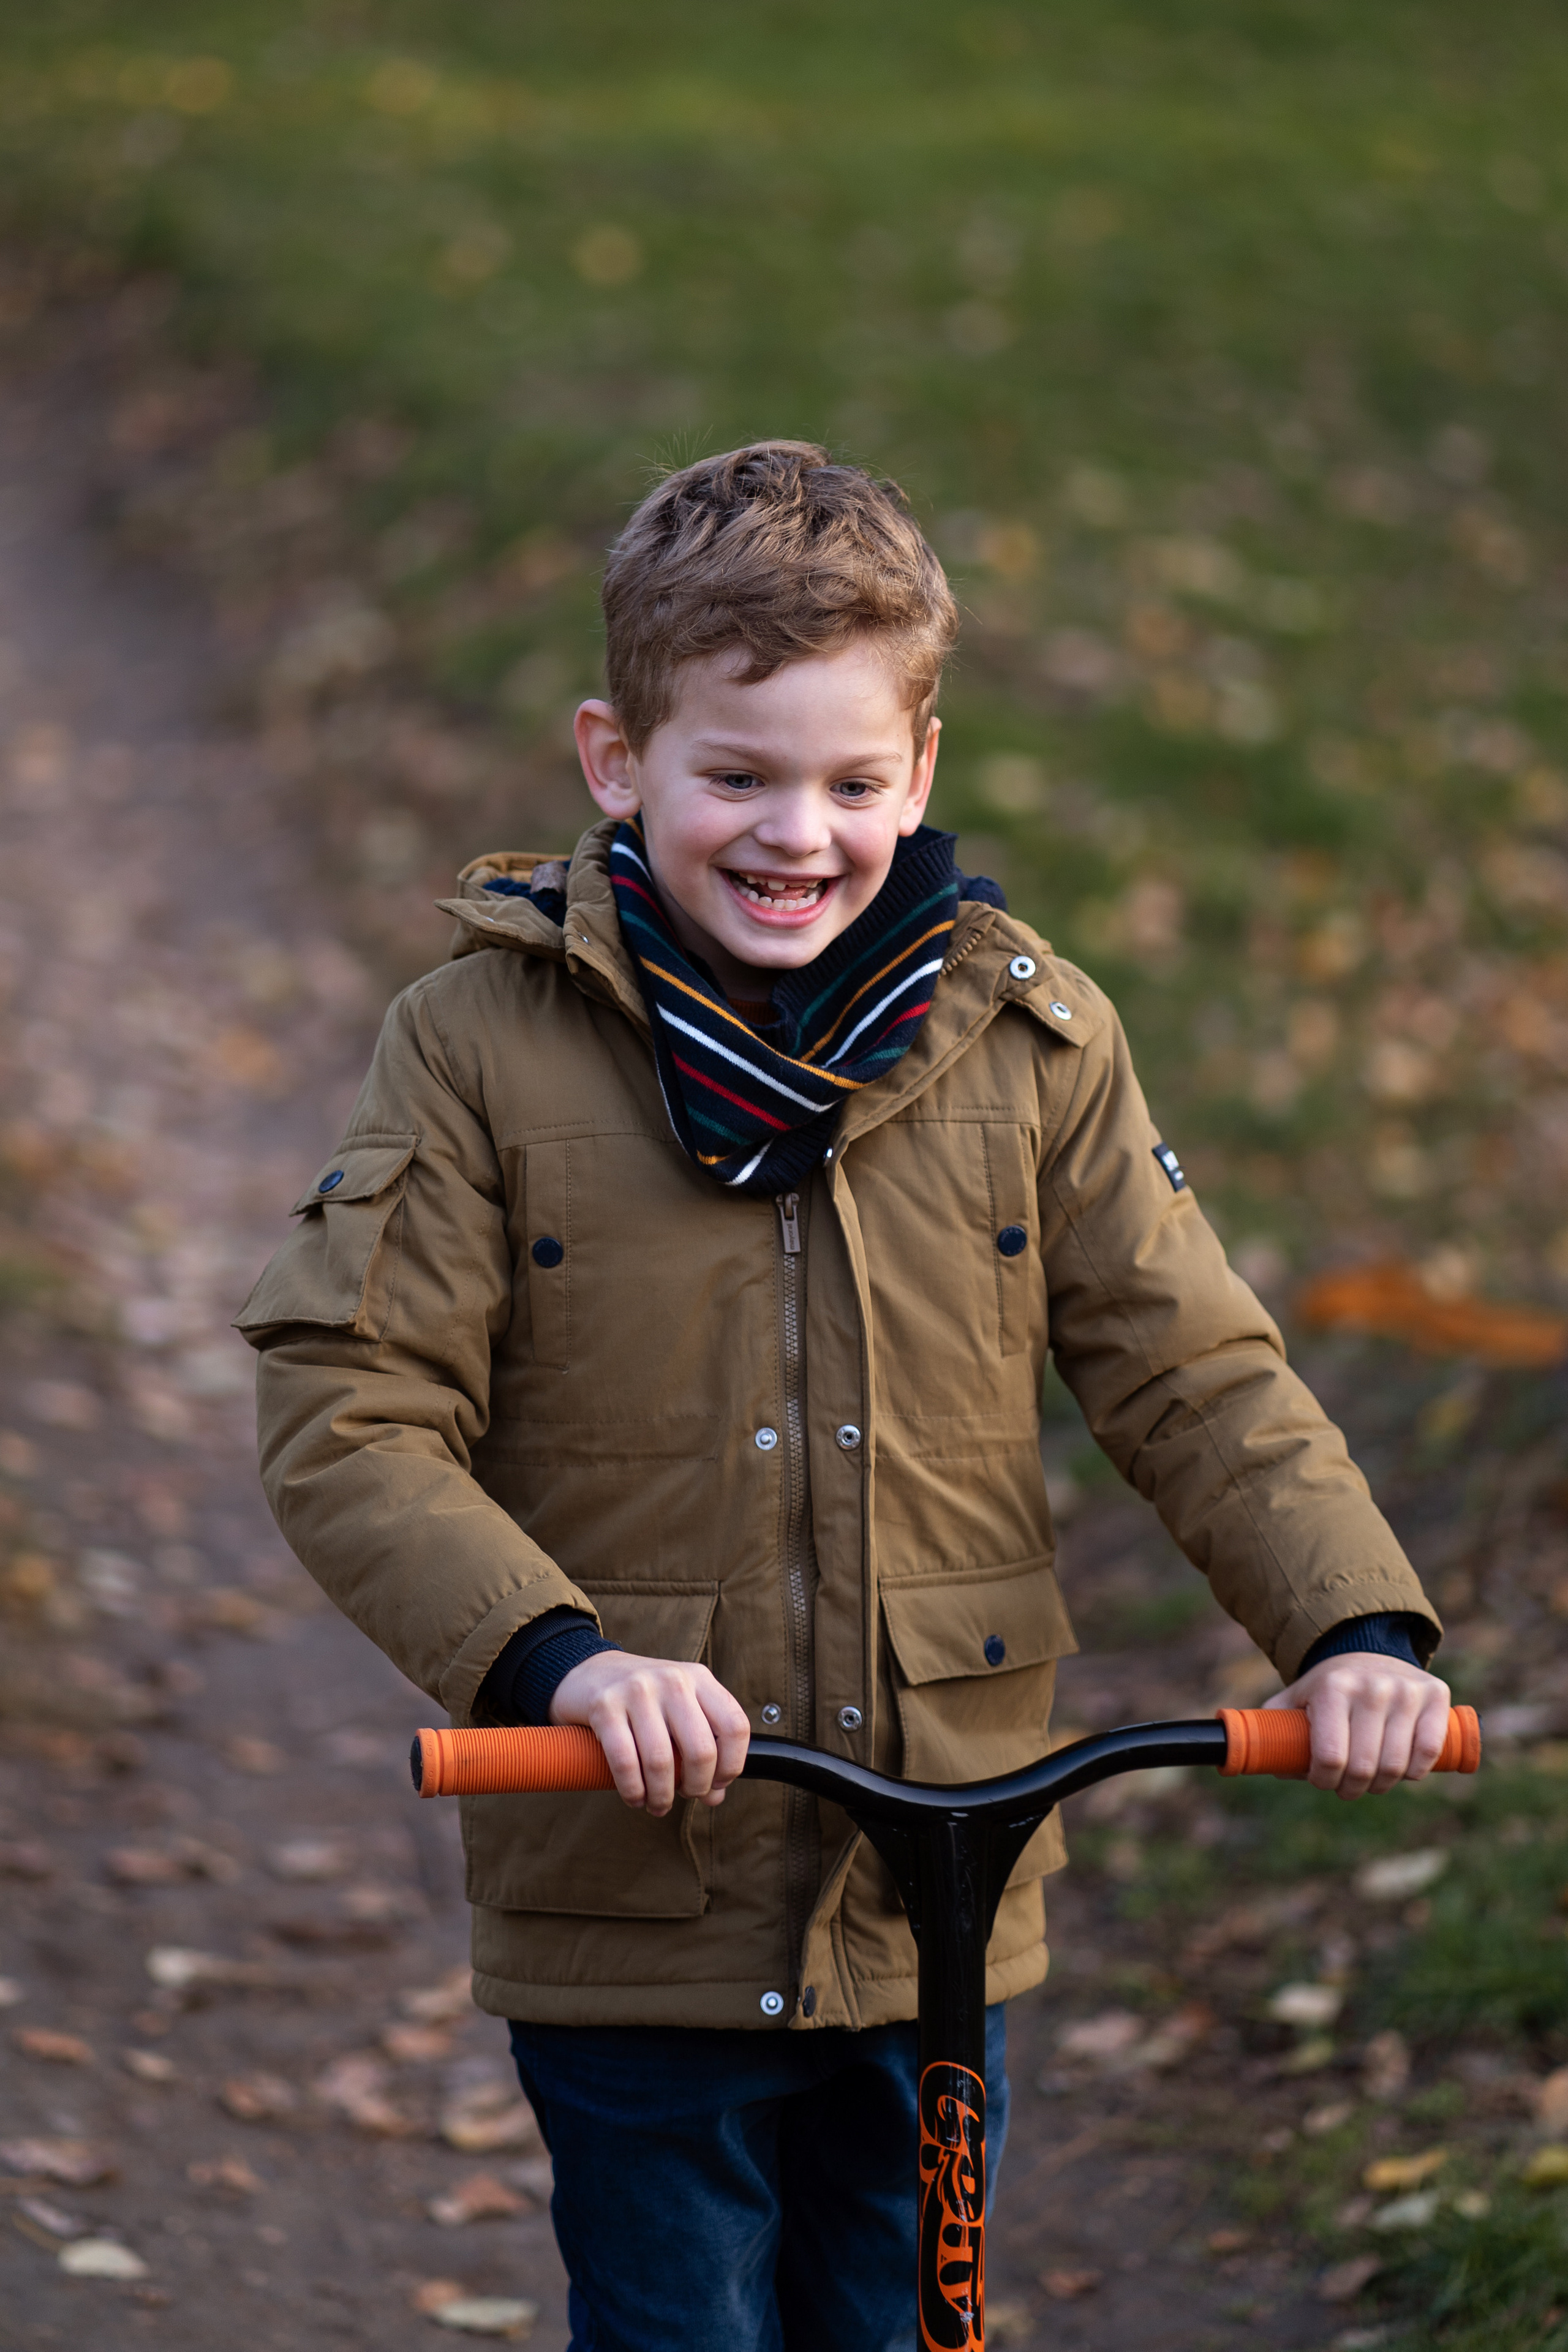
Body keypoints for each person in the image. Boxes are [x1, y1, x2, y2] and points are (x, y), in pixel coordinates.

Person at [238, 441, 1449, 2352]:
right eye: (737, 775)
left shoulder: (1027, 1038)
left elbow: (1192, 1365)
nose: (797, 832)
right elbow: (352, 1405)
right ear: (616, 761)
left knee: (896, 2317)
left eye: (851, 781)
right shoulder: (480, 1046)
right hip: (636, 1871)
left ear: (924, 773)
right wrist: (560, 1662)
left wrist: (1354, 1624)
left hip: (932, 1887)